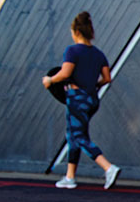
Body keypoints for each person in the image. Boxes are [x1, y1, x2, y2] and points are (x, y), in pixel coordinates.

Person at [42, 11, 121, 190]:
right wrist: (93, 86)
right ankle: (69, 177)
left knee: (78, 136)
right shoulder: (99, 54)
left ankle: (108, 168)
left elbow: (65, 74)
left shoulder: (72, 51)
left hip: (77, 99)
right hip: (92, 99)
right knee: (73, 135)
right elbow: (107, 79)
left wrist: (50, 80)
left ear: (76, 32)